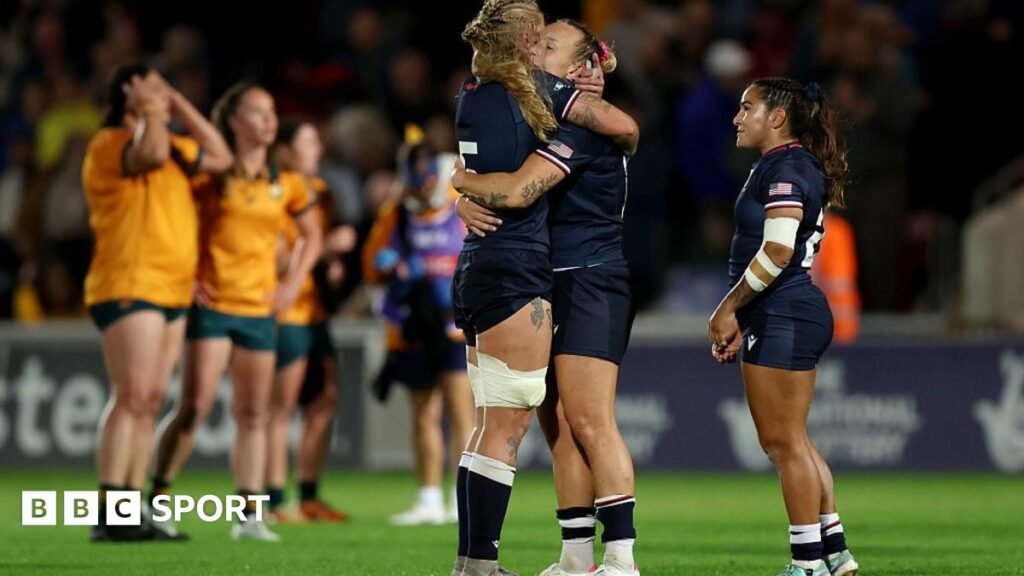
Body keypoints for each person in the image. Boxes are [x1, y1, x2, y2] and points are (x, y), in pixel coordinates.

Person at [451, 2, 638, 574]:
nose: (538, 49)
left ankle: (621, 558)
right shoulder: (538, 113)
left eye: (550, 44)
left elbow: (625, 131)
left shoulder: (579, 124)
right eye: (536, 41)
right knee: (556, 424)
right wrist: (463, 197)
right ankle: (575, 555)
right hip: (537, 278)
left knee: (588, 418)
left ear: (582, 65)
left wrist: (460, 183)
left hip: (588, 279)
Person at [149, 82, 323, 542]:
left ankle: (249, 514)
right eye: (258, 113)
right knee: (195, 406)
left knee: (252, 414)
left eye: (271, 112)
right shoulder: (212, 174)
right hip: (215, 304)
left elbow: (313, 234)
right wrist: (186, 275)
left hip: (258, 308)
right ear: (234, 121)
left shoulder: (282, 180)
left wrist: (291, 285)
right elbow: (174, 221)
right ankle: (156, 499)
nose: (269, 121)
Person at [707, 77, 860, 576]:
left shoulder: (787, 168)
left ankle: (806, 563)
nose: (737, 116)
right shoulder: (781, 165)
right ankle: (833, 550)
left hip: (785, 309)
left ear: (776, 118)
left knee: (783, 442)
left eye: (747, 107)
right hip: (784, 310)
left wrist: (728, 308)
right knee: (793, 439)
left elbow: (777, 250)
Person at [82, 64, 232, 542]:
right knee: (132, 395)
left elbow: (221, 155)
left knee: (149, 401)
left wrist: (177, 103)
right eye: (152, 86)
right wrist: (150, 111)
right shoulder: (110, 144)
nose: (163, 96)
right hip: (130, 281)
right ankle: (111, 509)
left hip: (170, 287)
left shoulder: (173, 148)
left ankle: (130, 507)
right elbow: (145, 152)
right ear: (127, 92)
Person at [362, 126, 474, 526]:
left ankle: (463, 501)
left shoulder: (459, 205)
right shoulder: (395, 215)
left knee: (463, 416)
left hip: (455, 327)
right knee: (424, 414)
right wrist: (386, 266)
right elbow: (372, 265)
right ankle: (428, 498)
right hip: (414, 329)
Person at [266, 118, 355, 524]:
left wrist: (332, 263)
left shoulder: (320, 193)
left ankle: (307, 495)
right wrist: (326, 250)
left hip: (315, 311)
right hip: (284, 311)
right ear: (284, 151)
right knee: (280, 408)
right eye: (307, 141)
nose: (316, 148)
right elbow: (279, 257)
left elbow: (316, 250)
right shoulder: (273, 191)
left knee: (325, 398)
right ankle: (270, 499)